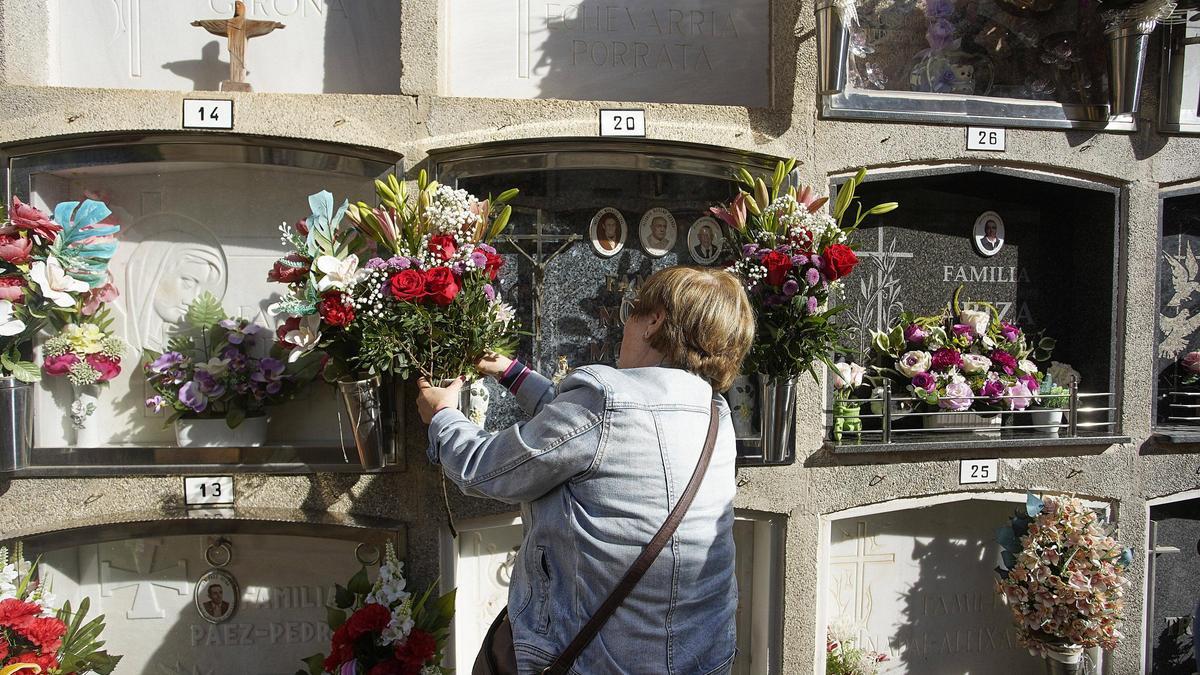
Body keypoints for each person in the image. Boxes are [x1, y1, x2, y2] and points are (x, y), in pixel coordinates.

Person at [417, 266, 754, 674]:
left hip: (598, 661)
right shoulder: (715, 414)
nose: (624, 327)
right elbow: (589, 437)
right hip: (701, 659)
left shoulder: (605, 399)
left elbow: (487, 469)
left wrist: (443, 417)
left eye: (632, 311)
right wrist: (511, 373)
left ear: (654, 321)